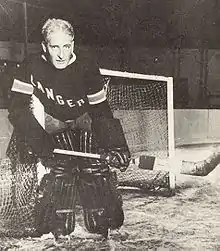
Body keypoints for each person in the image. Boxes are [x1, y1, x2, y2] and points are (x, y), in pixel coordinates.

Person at [7, 18, 131, 238]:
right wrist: (40, 143)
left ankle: (104, 209)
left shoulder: (87, 66)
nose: (62, 54)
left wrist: (116, 145)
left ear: (73, 45)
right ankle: (49, 215)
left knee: (93, 167)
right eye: (55, 47)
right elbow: (17, 110)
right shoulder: (31, 65)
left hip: (83, 117)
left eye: (66, 46)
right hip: (53, 120)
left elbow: (100, 110)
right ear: (45, 47)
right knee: (60, 170)